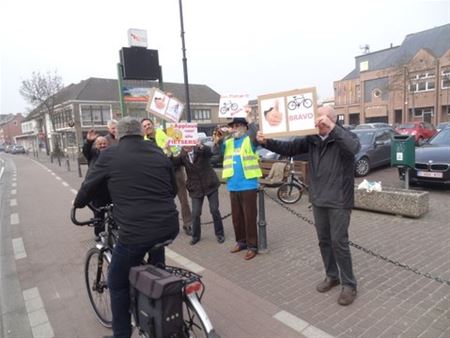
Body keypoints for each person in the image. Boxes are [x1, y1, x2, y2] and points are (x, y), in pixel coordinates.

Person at [73, 117, 179, 337]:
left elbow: (89, 186)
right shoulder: (157, 151)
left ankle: (122, 334)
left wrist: (78, 204)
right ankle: (158, 304)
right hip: (169, 226)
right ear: (141, 133)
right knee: (157, 265)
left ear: (118, 135)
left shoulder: (109, 155)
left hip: (135, 232)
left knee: (116, 280)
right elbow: (173, 190)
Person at [256, 105, 360, 306]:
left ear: (331, 119)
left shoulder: (343, 136)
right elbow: (288, 148)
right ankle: (332, 275)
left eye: (322, 117)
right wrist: (266, 141)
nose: (317, 121)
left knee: (339, 241)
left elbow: (353, 148)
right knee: (324, 240)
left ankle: (349, 284)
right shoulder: (312, 139)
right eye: (316, 117)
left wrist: (333, 129)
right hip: (318, 197)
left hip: (339, 198)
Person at [216, 109, 262, 261]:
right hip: (233, 185)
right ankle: (241, 242)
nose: (234, 128)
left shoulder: (249, 139)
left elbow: (256, 132)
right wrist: (217, 141)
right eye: (233, 126)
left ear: (244, 127)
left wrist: (250, 120)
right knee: (237, 218)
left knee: (249, 217)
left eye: (238, 125)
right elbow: (216, 152)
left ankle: (252, 246)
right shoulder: (228, 142)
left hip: (248, 185)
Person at [141, 118, 193, 236]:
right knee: (164, 202)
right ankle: (166, 226)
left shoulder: (164, 132)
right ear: (142, 129)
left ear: (153, 125)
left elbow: (177, 148)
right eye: (144, 126)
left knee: (183, 199)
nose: (147, 126)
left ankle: (188, 223)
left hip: (175, 169)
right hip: (161, 175)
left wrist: (170, 149)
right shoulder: (143, 142)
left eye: (149, 124)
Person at [172, 141, 225, 245]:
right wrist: (169, 153)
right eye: (183, 144)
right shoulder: (182, 155)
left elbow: (209, 153)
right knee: (196, 213)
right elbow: (174, 163)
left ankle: (219, 234)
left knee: (214, 210)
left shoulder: (200, 150)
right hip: (195, 187)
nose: (185, 146)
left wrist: (201, 146)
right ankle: (196, 236)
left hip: (210, 184)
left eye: (187, 143)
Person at [81, 129, 111, 240]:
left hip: (110, 190)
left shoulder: (111, 154)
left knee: (115, 214)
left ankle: (114, 233)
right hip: (97, 191)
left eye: (104, 144)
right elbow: (86, 150)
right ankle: (99, 235)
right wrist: (88, 141)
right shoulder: (92, 154)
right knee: (99, 215)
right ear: (96, 145)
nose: (103, 145)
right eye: (100, 144)